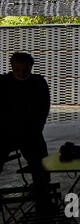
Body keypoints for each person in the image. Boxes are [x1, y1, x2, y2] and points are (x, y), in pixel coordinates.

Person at [0, 53, 53, 213]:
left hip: (31, 132)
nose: (21, 73)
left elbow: (45, 106)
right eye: (17, 69)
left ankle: (43, 202)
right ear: (12, 67)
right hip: (6, 132)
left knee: (41, 167)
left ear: (31, 67)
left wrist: (40, 125)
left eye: (25, 69)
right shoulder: (3, 83)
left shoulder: (38, 82)